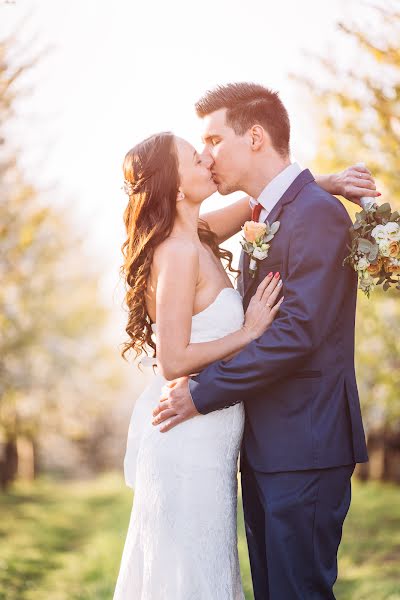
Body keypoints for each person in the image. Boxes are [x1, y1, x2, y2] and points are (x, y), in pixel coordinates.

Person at [152, 83, 376, 599]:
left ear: (255, 137)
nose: (205, 157)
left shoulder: (315, 214)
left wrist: (202, 393)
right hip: (267, 447)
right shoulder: (265, 215)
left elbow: (296, 334)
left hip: (306, 442)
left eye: (212, 140)